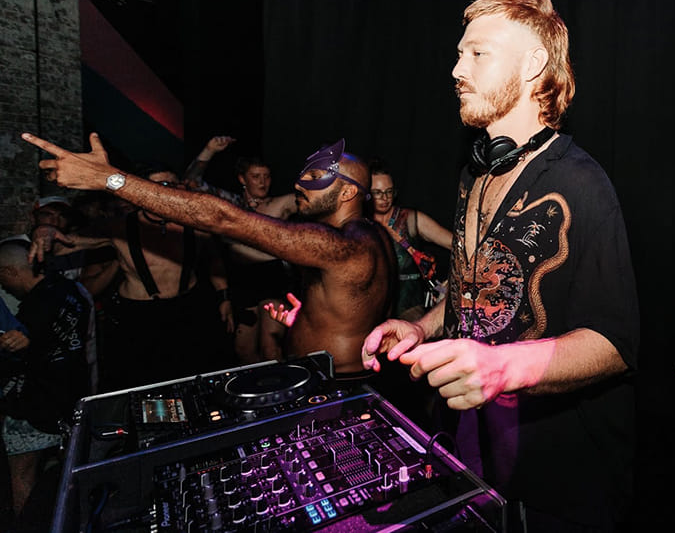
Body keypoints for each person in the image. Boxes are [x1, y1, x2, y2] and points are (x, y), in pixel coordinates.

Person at [361, 0, 640, 531]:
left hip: (559, 474)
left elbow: (616, 345)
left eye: (478, 54)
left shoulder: (580, 183)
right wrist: (419, 327)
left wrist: (503, 368)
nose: (456, 68)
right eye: (460, 53)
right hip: (480, 447)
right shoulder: (477, 175)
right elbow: (475, 291)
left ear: (534, 65)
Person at [21, 134, 396, 377]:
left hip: (338, 383)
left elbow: (219, 216)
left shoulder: (347, 245)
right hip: (323, 372)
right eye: (303, 174)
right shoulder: (365, 235)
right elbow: (355, 306)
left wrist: (109, 179)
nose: (299, 183)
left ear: (347, 193)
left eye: (315, 179)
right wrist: (309, 318)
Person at [28, 165, 234, 391]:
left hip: (187, 308)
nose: (165, 190)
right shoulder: (120, 227)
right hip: (139, 315)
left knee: (193, 379)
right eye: (158, 185)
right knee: (143, 385)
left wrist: (223, 297)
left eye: (171, 185)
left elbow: (214, 259)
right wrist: (43, 231)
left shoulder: (196, 225)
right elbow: (64, 244)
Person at [184, 135, 297, 363]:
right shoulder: (232, 205)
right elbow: (191, 184)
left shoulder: (280, 204)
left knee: (271, 350)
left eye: (266, 176)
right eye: (256, 177)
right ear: (242, 179)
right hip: (242, 283)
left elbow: (311, 200)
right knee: (244, 352)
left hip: (272, 280)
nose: (263, 182)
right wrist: (209, 149)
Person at [0, 239, 92, 521]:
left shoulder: (35, 306)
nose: (3, 287)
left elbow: (26, 347)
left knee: (23, 475)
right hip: (69, 398)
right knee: (67, 475)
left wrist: (17, 346)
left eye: (2, 277)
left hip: (35, 404)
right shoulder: (69, 289)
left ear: (12, 272)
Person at [369, 158, 452, 321]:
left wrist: (454, 281)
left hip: (408, 306)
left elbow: (458, 245)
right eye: (377, 193)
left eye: (389, 191)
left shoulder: (410, 219)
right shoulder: (359, 224)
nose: (385, 198)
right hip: (371, 307)